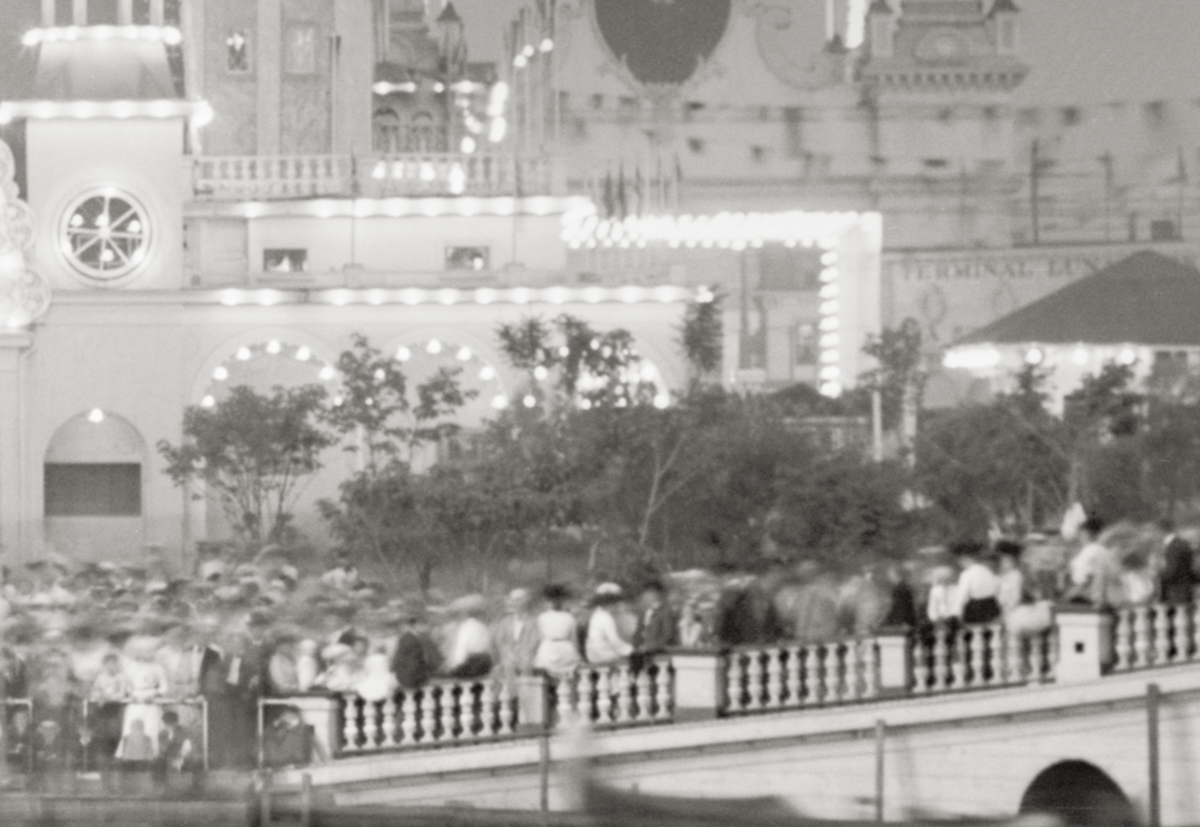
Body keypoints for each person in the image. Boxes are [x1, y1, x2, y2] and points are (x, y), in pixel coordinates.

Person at [493, 588, 540, 694]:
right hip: (509, 656)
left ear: (525, 602)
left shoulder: (533, 620)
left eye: (518, 600)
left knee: (525, 666)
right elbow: (500, 641)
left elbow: (534, 640)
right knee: (502, 668)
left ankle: (523, 696)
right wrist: (508, 653)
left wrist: (522, 653)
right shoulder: (505, 621)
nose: (514, 603)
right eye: (513, 600)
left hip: (526, 656)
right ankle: (512, 696)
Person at [88, 652, 129, 769]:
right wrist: (99, 696)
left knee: (115, 733)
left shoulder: (122, 677)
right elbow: (95, 692)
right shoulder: (101, 677)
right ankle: (102, 761)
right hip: (102, 710)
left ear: (117, 665)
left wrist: (108, 698)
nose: (111, 667)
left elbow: (122, 693)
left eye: (113, 664)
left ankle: (115, 760)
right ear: (104, 665)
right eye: (108, 664)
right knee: (102, 734)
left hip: (116, 709)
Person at [533, 584, 582, 678]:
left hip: (565, 649)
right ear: (548, 601)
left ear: (562, 601)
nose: (555, 602)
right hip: (548, 648)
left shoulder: (569, 617)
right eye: (552, 600)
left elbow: (573, 638)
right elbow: (540, 637)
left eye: (558, 600)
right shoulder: (542, 617)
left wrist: (577, 654)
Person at [951, 541, 1001, 624]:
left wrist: (955, 614)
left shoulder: (967, 574)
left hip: (977, 611)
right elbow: (996, 589)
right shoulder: (986, 570)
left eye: (960, 560)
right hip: (993, 609)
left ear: (964, 559)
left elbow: (962, 596)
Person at [445, 595, 495, 679]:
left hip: (473, 666)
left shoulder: (466, 627)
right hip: (486, 666)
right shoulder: (482, 626)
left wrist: (452, 667)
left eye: (456, 615)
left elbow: (461, 651)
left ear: (464, 614)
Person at [585, 583, 633, 666]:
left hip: (597, 655)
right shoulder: (605, 618)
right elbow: (614, 642)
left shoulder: (598, 615)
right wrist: (631, 651)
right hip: (603, 657)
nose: (618, 605)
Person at [632, 581, 676, 669]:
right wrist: (636, 645)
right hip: (643, 650)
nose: (646, 596)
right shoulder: (644, 611)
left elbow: (667, 635)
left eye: (649, 593)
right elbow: (638, 631)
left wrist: (649, 647)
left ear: (656, 593)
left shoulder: (665, 611)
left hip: (658, 651)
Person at [1159, 520, 1197, 605]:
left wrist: (1159, 577)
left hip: (1175, 590)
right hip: (1186, 588)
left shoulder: (1173, 547)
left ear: (1161, 531)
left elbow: (1172, 570)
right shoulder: (1183, 544)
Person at [390, 614, 431, 691]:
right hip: (410, 676)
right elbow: (411, 660)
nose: (425, 627)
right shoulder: (409, 638)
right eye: (422, 624)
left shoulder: (410, 637)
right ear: (415, 625)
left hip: (412, 675)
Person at [995, 540, 1026, 617]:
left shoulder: (1015, 576)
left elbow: (1015, 598)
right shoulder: (997, 575)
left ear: (1014, 562)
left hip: (1009, 613)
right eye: (1001, 561)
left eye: (1008, 561)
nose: (1004, 564)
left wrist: (1005, 613)